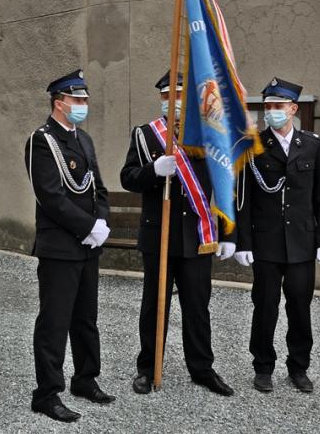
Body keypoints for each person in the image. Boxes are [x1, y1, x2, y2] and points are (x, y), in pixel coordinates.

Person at [120, 70, 237, 397]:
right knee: (153, 306)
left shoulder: (208, 136)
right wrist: (153, 171)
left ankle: (202, 369)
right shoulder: (146, 135)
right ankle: (147, 368)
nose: (173, 101)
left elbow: (224, 187)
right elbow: (128, 178)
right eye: (167, 95)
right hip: (158, 236)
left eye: (180, 95)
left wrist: (228, 234)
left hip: (196, 236)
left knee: (197, 307)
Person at [24, 69, 114, 423]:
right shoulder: (42, 141)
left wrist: (101, 223)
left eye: (85, 100)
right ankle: (47, 394)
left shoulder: (84, 140)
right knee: (54, 321)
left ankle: (85, 378)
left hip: (88, 246)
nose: (83, 105)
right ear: (59, 103)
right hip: (59, 247)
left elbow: (98, 189)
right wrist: (88, 226)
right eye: (77, 99)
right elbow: (50, 196)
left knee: (86, 318)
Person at [234, 77, 320, 393]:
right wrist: (243, 242)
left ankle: (299, 367)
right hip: (266, 242)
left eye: (277, 106)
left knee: (300, 308)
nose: (271, 112)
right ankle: (263, 367)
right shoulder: (253, 145)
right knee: (265, 307)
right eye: (267, 107)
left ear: (293, 109)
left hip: (302, 243)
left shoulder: (312, 144)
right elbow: (243, 199)